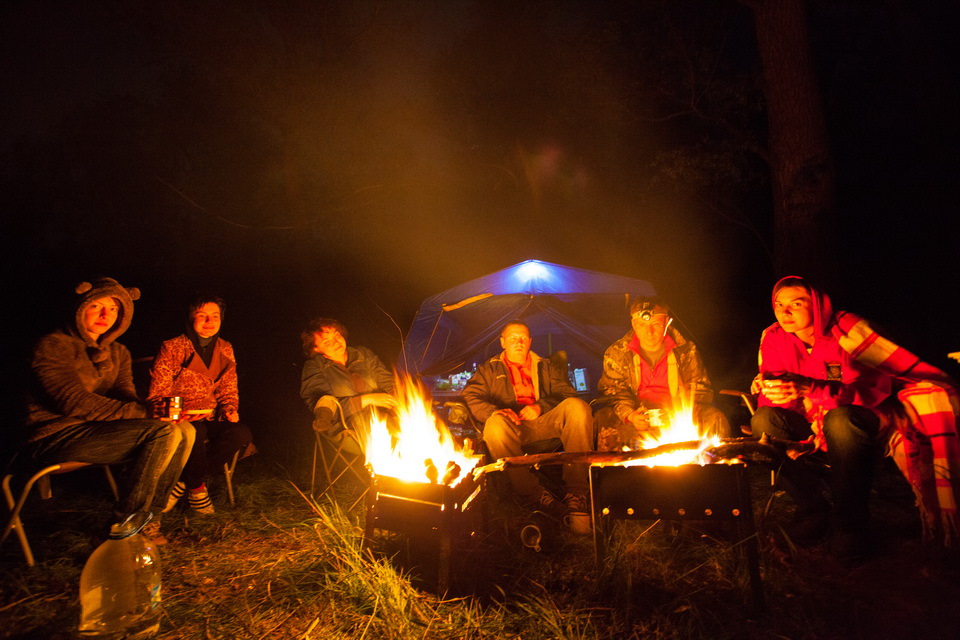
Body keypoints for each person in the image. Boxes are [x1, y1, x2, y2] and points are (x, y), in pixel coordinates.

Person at [750, 276, 960, 562]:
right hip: (814, 416)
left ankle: (850, 523)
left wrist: (810, 388)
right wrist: (772, 390)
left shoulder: (849, 332)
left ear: (818, 306)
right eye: (779, 305)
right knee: (764, 420)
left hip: (868, 414)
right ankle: (813, 509)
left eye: (795, 305)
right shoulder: (774, 337)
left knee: (840, 420)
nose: (784, 313)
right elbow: (777, 398)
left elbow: (874, 391)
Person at [21, 278, 193, 544]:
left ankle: (150, 519)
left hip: (95, 431)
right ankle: (125, 524)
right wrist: (143, 414)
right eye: (97, 306)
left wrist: (156, 408)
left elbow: (123, 394)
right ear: (80, 308)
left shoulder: (118, 352)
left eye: (114, 309)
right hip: (54, 435)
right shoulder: (54, 345)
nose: (106, 315)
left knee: (184, 429)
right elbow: (72, 402)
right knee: (161, 433)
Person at [462, 321, 594, 530]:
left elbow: (567, 393)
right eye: (513, 338)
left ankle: (577, 492)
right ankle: (533, 493)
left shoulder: (545, 366)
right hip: (511, 427)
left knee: (577, 407)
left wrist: (540, 406)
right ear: (503, 342)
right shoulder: (489, 369)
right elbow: (470, 395)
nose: (519, 342)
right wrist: (495, 411)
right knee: (494, 425)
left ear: (530, 341)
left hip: (544, 423)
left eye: (523, 338)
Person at [147, 295, 254, 515]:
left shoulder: (225, 348)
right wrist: (176, 413)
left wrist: (229, 408)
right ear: (190, 318)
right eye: (202, 315)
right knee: (196, 430)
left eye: (215, 316)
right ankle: (197, 490)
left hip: (210, 416)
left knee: (241, 433)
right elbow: (157, 393)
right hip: (179, 419)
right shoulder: (173, 347)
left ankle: (184, 483)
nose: (209, 321)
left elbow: (228, 389)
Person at [595, 296, 729, 451]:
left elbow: (700, 390)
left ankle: (716, 469)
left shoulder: (685, 350)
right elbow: (613, 393)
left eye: (656, 324)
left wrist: (676, 412)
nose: (649, 332)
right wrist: (631, 415)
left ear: (667, 322)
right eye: (642, 325)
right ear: (633, 324)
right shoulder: (617, 353)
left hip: (676, 414)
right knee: (603, 421)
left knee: (716, 418)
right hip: (637, 416)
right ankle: (613, 472)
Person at [299, 318, 398, 451]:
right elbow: (325, 409)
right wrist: (368, 399)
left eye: (337, 335)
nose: (336, 342)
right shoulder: (315, 366)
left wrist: (399, 401)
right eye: (327, 341)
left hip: (383, 413)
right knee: (372, 423)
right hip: (348, 427)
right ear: (315, 348)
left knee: (413, 414)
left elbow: (388, 382)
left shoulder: (362, 354)